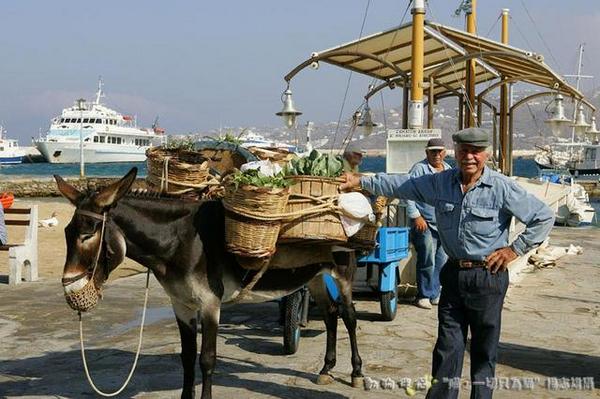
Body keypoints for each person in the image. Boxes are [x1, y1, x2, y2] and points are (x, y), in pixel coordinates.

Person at [340, 127, 554, 399]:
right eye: (464, 150)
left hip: (487, 276)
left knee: (483, 351)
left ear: (486, 154)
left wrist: (514, 250)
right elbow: (400, 184)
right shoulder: (440, 182)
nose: (470, 157)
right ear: (455, 152)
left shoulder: (501, 187)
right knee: (447, 348)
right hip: (452, 275)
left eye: (476, 151)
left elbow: (543, 217)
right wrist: (359, 182)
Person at [406, 138, 451, 310]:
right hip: (424, 223)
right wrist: (416, 215)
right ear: (427, 152)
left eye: (440, 151)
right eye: (433, 151)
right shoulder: (419, 169)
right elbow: (408, 192)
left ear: (444, 153)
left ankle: (435, 293)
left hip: (443, 224)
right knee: (427, 259)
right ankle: (423, 294)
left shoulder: (448, 170)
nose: (437, 154)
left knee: (442, 260)